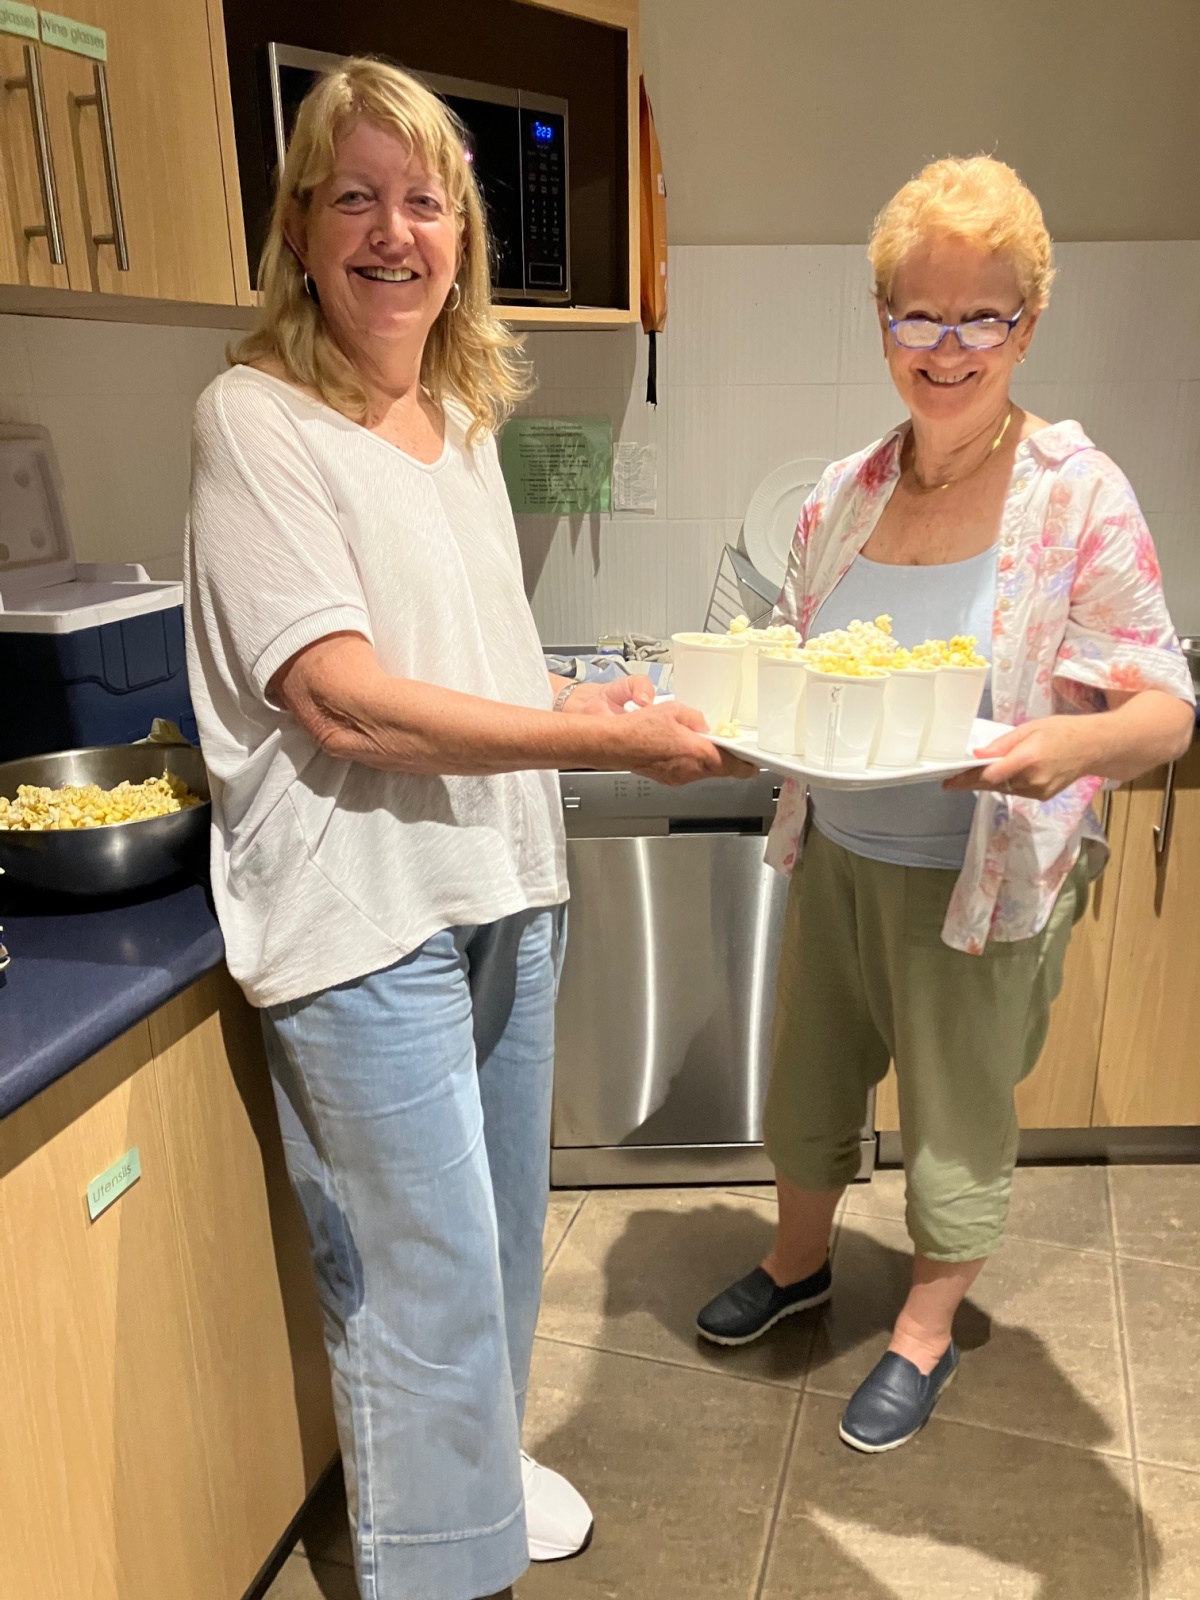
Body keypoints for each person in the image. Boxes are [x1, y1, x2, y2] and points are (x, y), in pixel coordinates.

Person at [184, 58, 744, 1600]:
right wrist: (599, 740)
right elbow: (343, 701)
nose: (395, 232)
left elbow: (464, 657)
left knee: (494, 1250)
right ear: (302, 229)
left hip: (503, 883)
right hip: (364, 916)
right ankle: (446, 1567)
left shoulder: (460, 417)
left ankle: (472, 1494)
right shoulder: (255, 420)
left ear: (462, 237)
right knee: (419, 1289)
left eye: (425, 202)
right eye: (356, 198)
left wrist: (585, 691)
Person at [696, 156, 1195, 1453]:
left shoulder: (1076, 494)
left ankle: (924, 1331)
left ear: (1027, 325)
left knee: (957, 1122)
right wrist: (726, 717)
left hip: (982, 877)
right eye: (920, 313)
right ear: (884, 322)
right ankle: (800, 1263)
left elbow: (1167, 708)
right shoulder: (845, 493)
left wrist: (1066, 748)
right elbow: (796, 664)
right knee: (807, 1085)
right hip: (837, 853)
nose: (948, 347)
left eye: (983, 317)